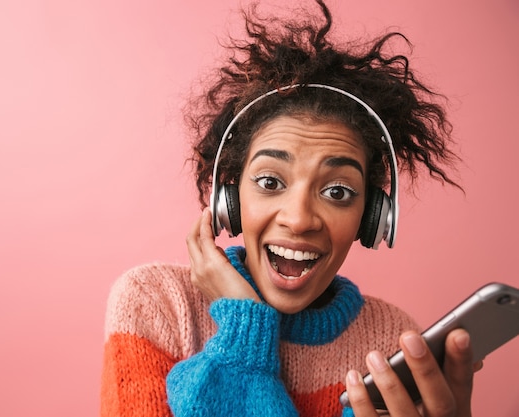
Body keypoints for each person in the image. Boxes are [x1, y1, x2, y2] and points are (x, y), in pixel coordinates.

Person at [101, 1, 479, 416]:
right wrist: (245, 331)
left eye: (337, 192)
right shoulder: (156, 304)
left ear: (371, 219)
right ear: (230, 200)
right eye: (269, 182)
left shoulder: (392, 341)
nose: (298, 219)